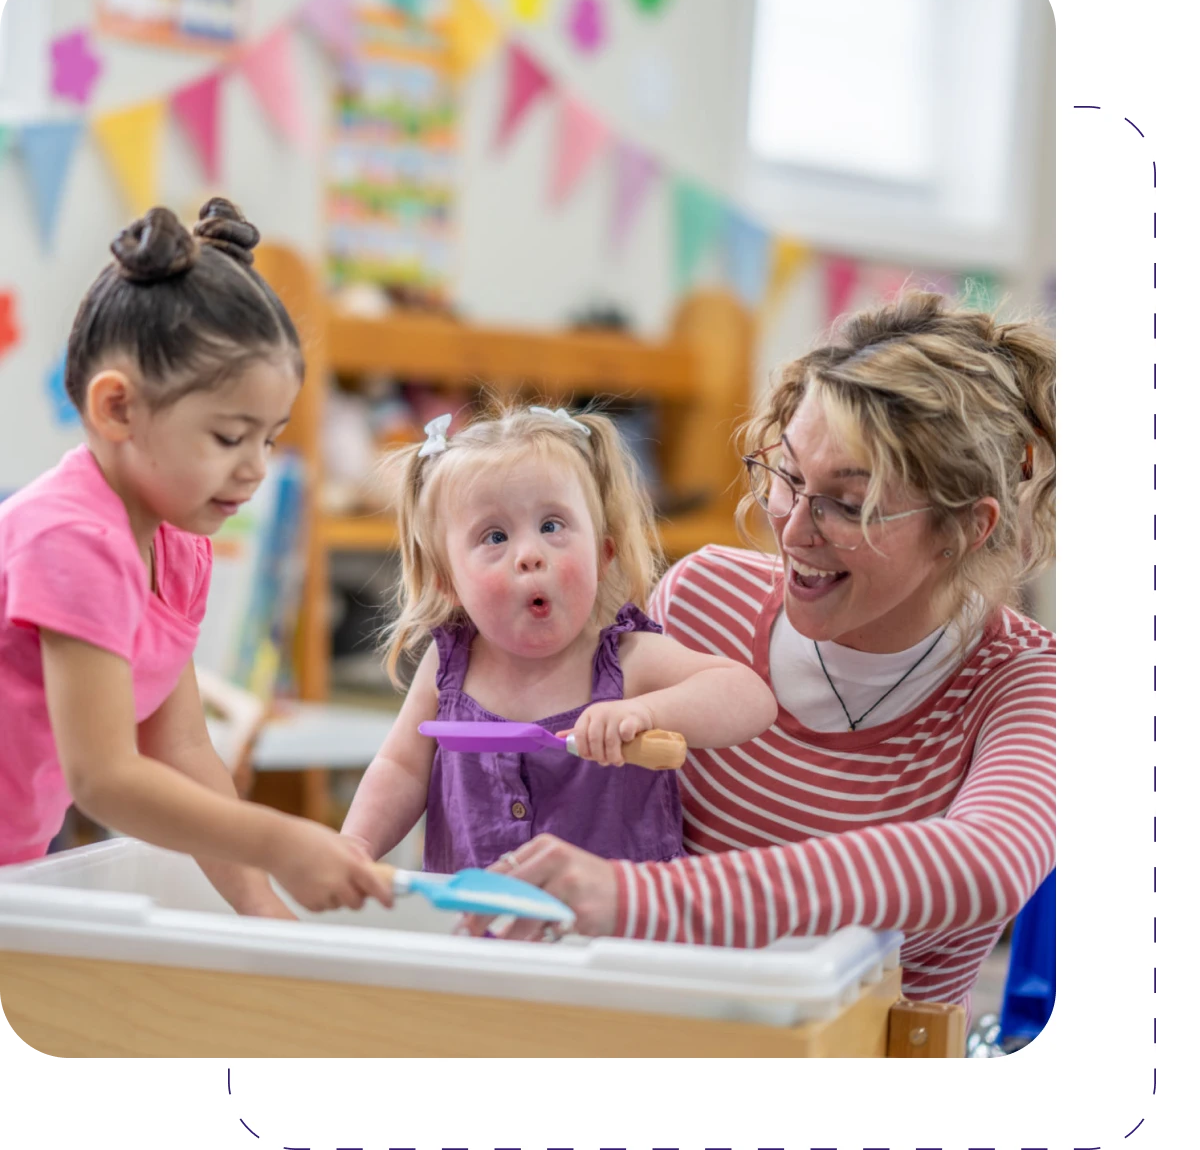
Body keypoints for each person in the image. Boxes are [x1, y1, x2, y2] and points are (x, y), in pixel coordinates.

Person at [460, 290, 1057, 1013]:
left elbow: (985, 864)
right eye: (789, 476)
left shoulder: (1029, 682)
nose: (795, 529)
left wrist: (632, 896)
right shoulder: (702, 599)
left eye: (849, 503)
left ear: (963, 527)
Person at [0, 200, 392, 917]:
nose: (255, 470)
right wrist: (279, 840)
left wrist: (259, 906)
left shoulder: (175, 546)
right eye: (229, 437)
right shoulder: (71, 537)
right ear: (118, 409)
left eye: (268, 439)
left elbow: (179, 749)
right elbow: (106, 778)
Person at [340, 401, 779, 875]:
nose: (529, 555)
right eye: (494, 537)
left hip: (617, 936)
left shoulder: (628, 659)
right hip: (478, 932)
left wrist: (645, 712)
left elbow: (750, 697)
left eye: (552, 526)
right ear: (447, 581)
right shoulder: (449, 668)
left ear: (603, 553)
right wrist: (354, 848)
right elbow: (401, 769)